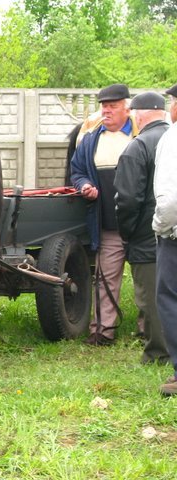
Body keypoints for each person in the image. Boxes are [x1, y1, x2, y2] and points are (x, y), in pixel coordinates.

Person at [70, 84, 133, 346]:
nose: (107, 111)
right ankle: (102, 331)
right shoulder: (91, 140)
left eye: (113, 106)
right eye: (104, 106)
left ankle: (150, 331)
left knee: (146, 282)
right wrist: (84, 184)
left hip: (141, 227)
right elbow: (77, 170)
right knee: (105, 279)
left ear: (126, 108)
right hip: (108, 225)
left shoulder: (140, 137)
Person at [114, 91, 170, 365]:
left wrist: (127, 233)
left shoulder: (138, 147)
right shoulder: (172, 140)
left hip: (149, 236)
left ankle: (158, 353)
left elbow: (127, 199)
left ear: (138, 114)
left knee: (153, 298)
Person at [153, 83, 177, 396]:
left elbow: (171, 199)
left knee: (170, 298)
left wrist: (160, 225)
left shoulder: (173, 138)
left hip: (175, 236)